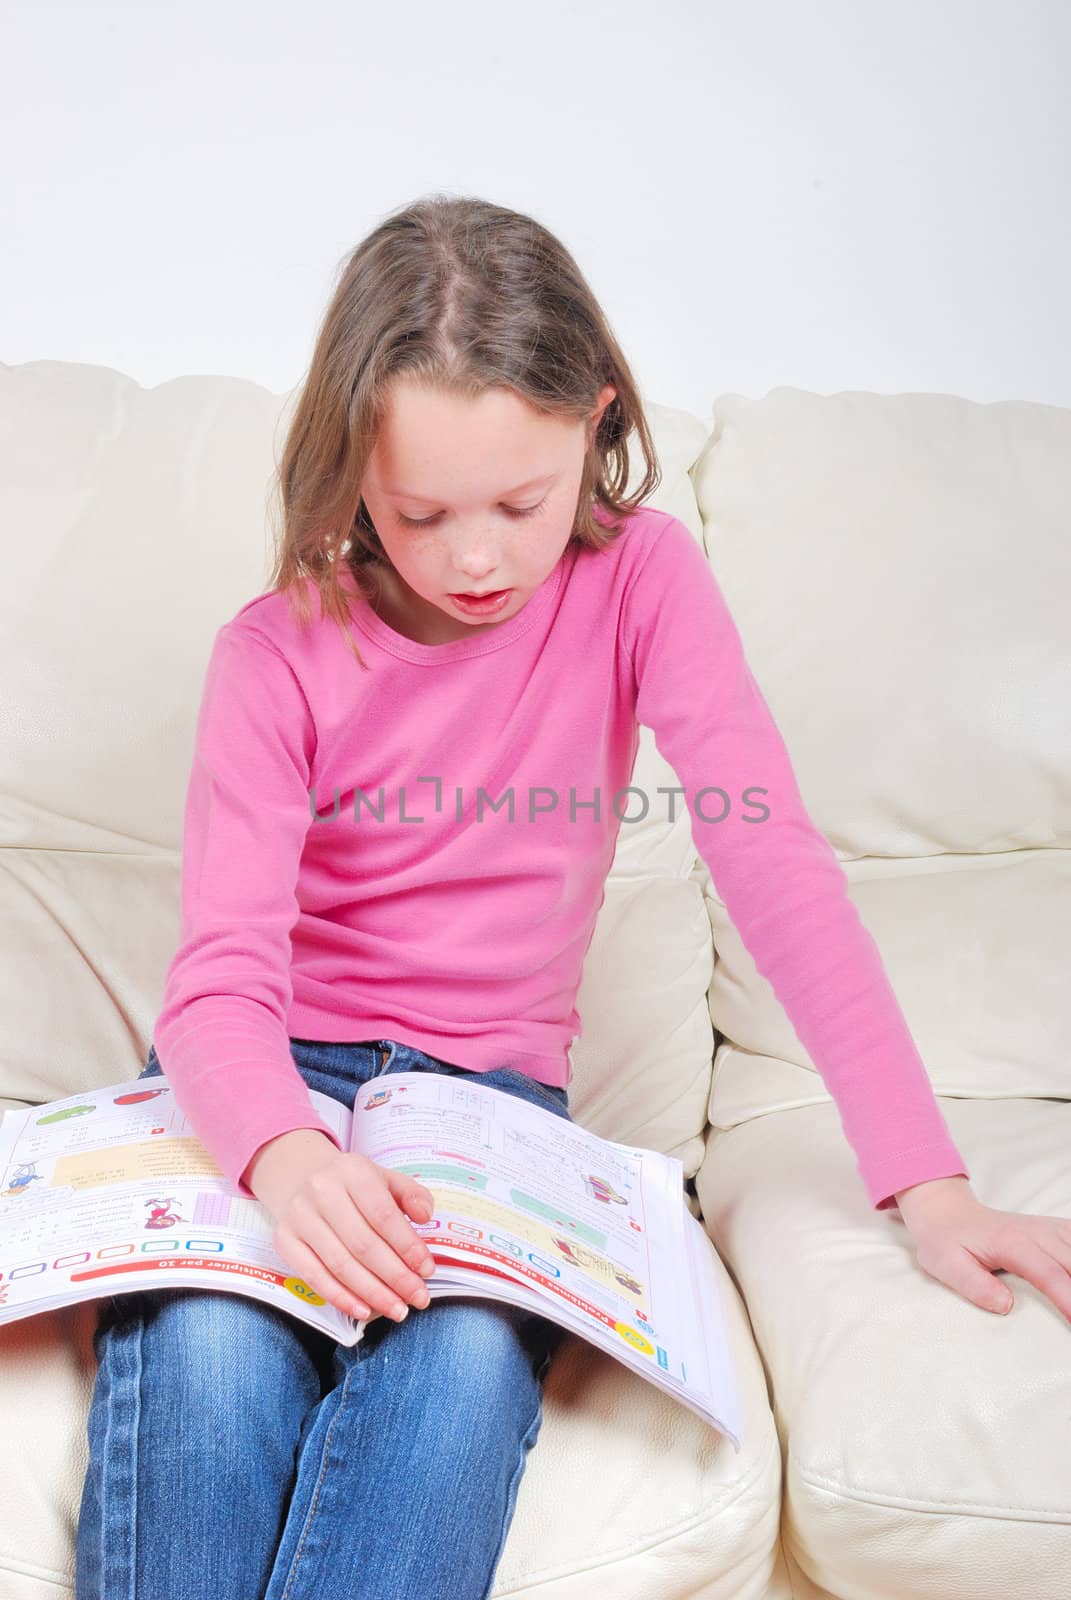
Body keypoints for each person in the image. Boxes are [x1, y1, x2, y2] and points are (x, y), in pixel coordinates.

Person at [75, 193, 1071, 1600]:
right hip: (263, 1088)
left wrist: (932, 1179)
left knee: (465, 1368)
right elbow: (219, 983)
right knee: (204, 1352)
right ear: (348, 465)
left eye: (521, 504)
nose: (477, 558)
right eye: (420, 512)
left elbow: (774, 867)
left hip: (488, 1109)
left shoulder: (644, 579)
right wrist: (286, 1159)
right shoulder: (275, 652)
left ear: (597, 423)